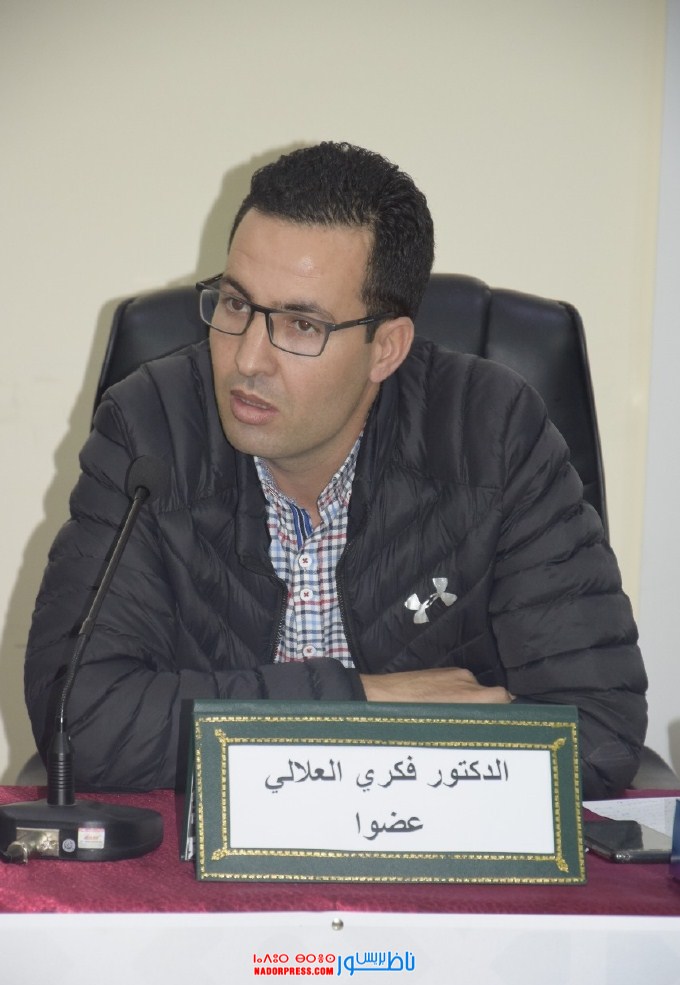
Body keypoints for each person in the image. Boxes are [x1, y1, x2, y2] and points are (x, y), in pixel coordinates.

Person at [24, 142, 647, 797]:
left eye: (301, 325)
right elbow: (78, 718)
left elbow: (598, 729)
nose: (248, 359)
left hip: (430, 844)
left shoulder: (491, 435)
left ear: (386, 349)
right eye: (235, 305)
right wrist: (359, 701)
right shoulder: (150, 428)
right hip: (215, 848)